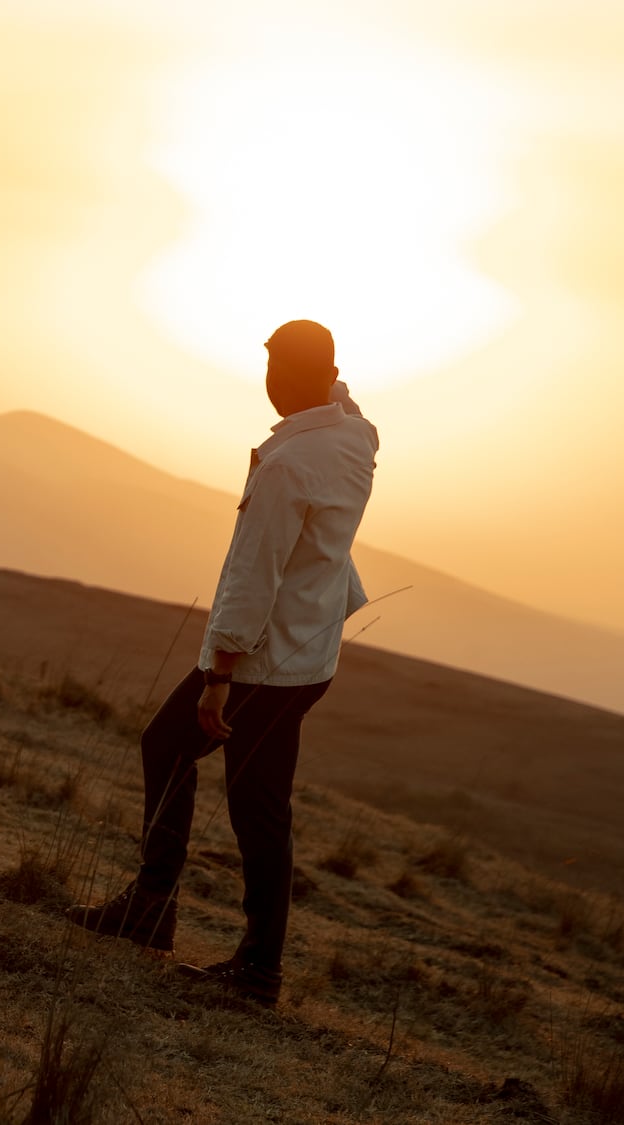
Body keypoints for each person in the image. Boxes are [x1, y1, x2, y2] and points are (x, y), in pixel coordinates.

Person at [66, 320, 378, 1005]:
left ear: (290, 378)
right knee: (219, 778)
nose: (267, 385)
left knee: (243, 797)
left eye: (275, 372)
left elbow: (252, 574)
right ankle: (164, 911)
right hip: (310, 653)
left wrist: (217, 677)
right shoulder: (352, 435)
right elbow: (348, 406)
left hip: (266, 662)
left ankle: (251, 963)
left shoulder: (289, 466)